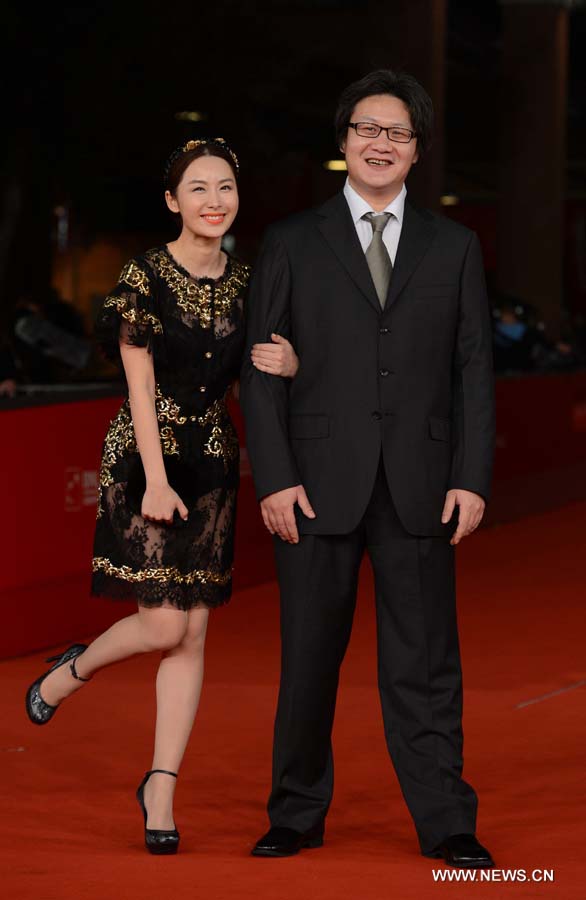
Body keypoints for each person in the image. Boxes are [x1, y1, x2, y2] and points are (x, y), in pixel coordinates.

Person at [240, 70, 495, 868]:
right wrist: (274, 477)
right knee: (309, 657)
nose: (380, 143)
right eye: (366, 129)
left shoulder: (452, 246)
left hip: (421, 481)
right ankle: (296, 811)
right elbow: (258, 368)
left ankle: (448, 821)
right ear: (343, 142)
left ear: (417, 152)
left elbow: (473, 370)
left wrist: (471, 475)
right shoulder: (290, 241)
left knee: (424, 663)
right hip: (314, 483)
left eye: (397, 133)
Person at [25, 137, 299, 855]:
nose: (215, 201)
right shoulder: (143, 275)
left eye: (226, 188)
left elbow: (255, 379)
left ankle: (161, 788)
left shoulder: (248, 280)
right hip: (146, 458)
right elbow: (138, 386)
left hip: (212, 462)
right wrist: (151, 476)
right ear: (173, 201)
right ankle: (73, 668)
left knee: (195, 633)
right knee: (163, 626)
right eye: (199, 188)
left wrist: (290, 362)